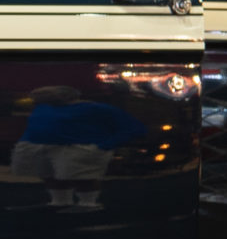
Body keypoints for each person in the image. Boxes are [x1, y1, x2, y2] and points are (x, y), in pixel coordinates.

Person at [10, 85, 147, 210]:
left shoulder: (95, 108)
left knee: (83, 176)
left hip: (79, 146)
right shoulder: (43, 107)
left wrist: (105, 145)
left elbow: (133, 127)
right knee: (49, 174)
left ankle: (88, 203)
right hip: (40, 146)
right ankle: (59, 201)